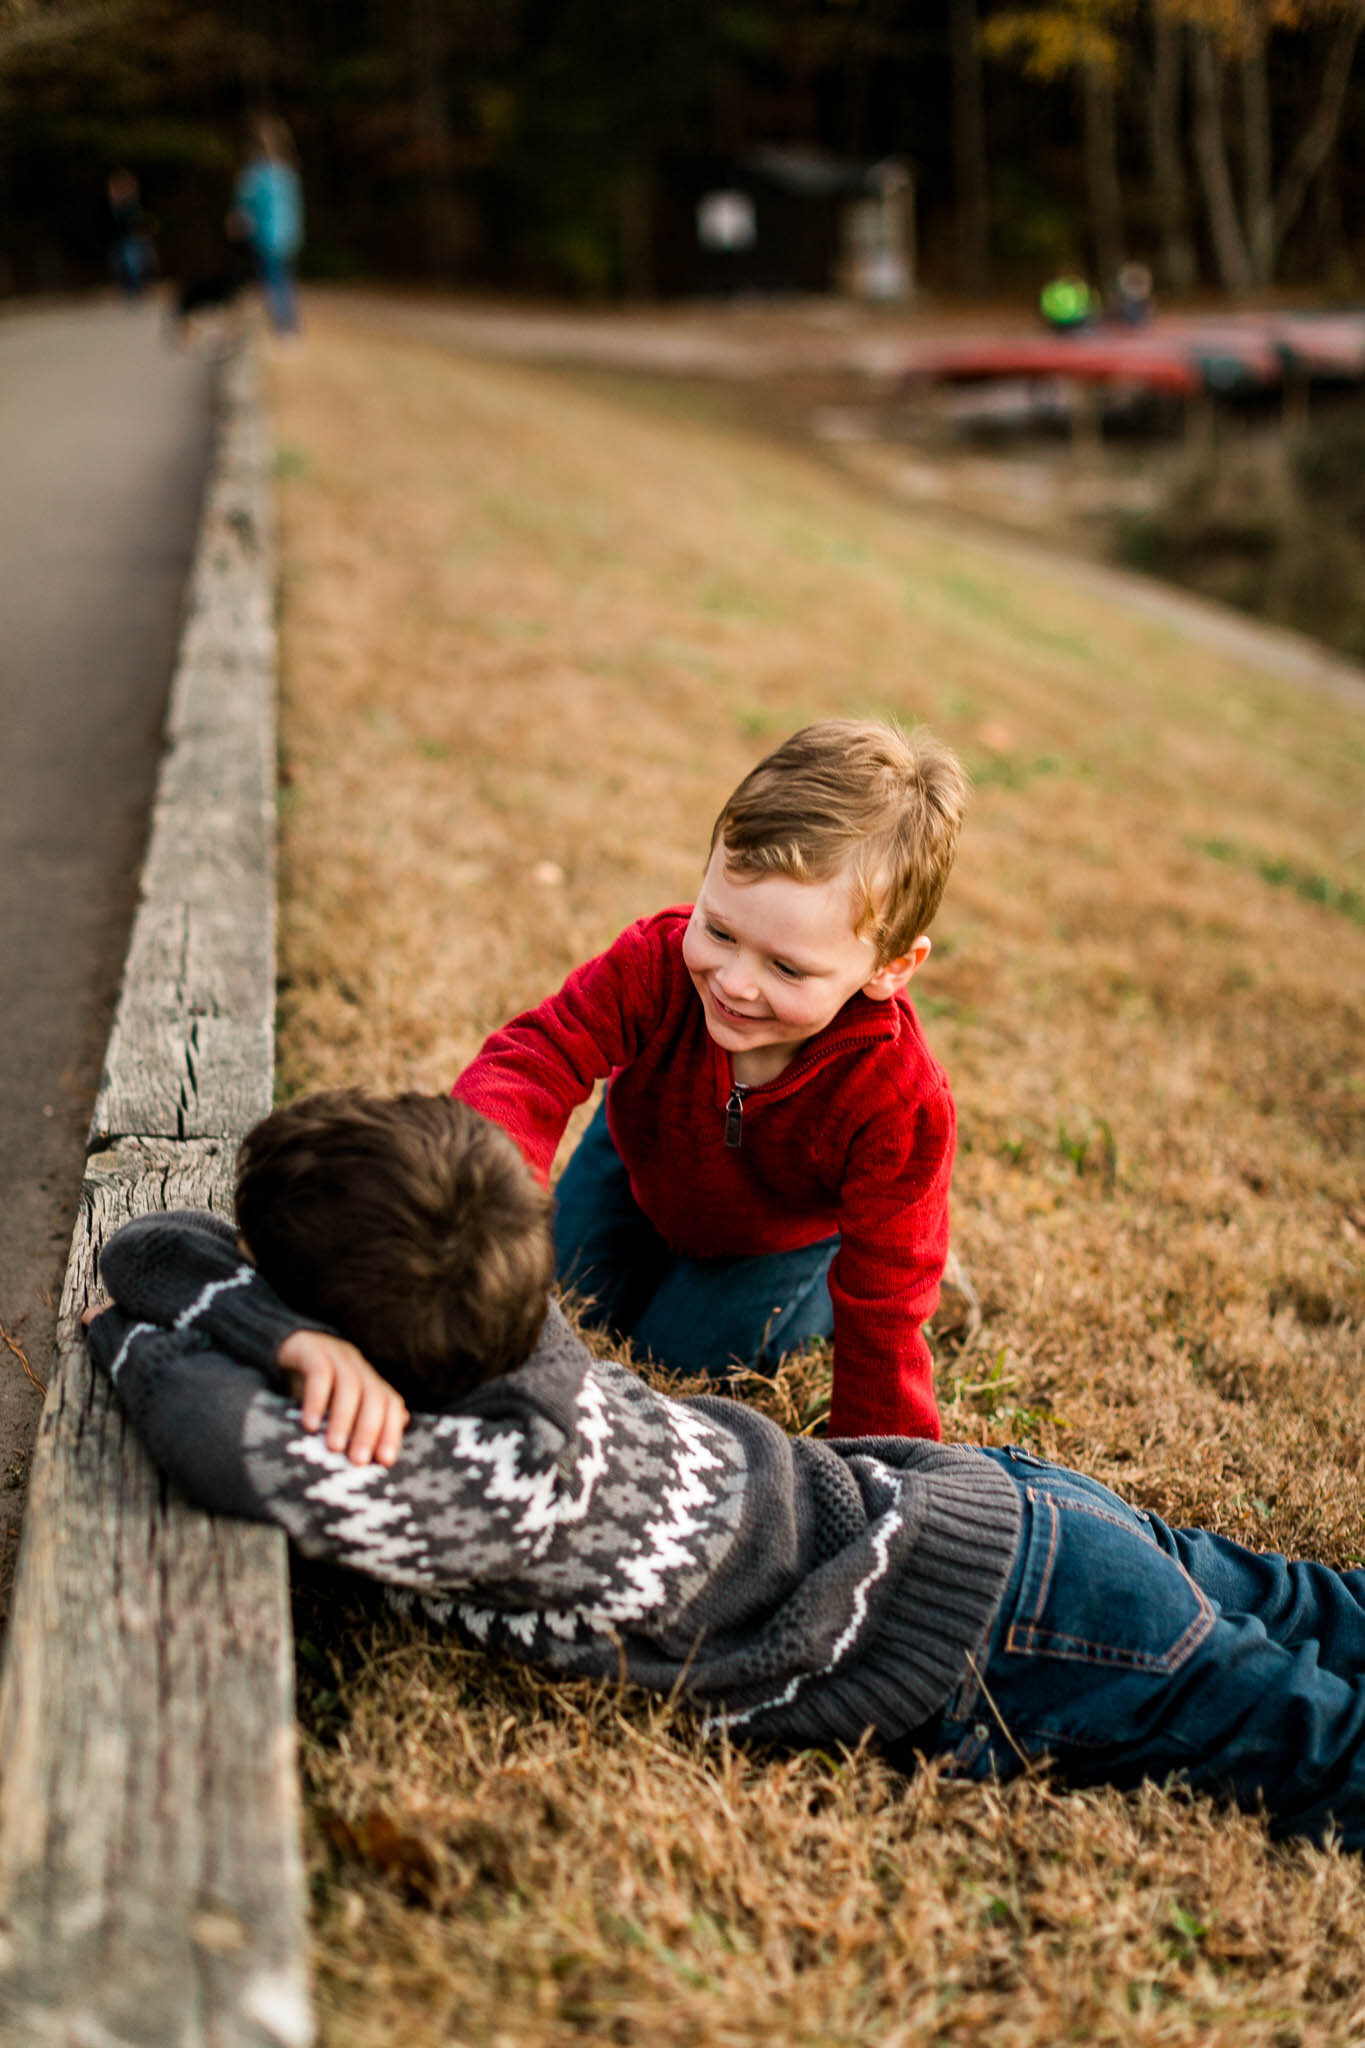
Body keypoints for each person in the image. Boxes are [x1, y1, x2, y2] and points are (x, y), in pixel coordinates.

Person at [86, 1087, 1365, 1849]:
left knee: (1318, 1743)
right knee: (1307, 1607)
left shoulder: (489, 1485)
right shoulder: (504, 1310)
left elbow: (190, 1401)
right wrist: (291, 1327)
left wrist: (190, 1342)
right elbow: (161, 1241)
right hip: (988, 1504)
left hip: (1002, 1626)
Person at [452, 719, 969, 1440]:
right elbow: (534, 1059)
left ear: (890, 968)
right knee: (550, 1300)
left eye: (786, 968)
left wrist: (888, 1471)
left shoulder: (897, 1100)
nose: (732, 982)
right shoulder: (655, 964)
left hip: (775, 1236)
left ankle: (816, 1294)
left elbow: (886, 1306)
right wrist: (473, 1187)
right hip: (642, 1161)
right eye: (719, 931)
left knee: (670, 1365)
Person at [232, 115, 304, 336]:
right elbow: (243, 203)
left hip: (284, 234)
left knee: (279, 279)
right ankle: (284, 324)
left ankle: (286, 325)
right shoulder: (255, 173)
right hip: (264, 234)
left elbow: (294, 205)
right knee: (274, 278)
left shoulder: (285, 172)